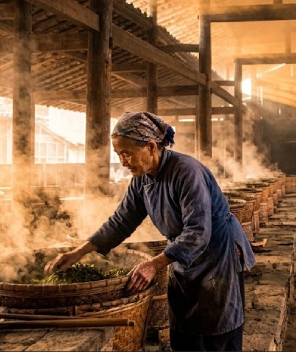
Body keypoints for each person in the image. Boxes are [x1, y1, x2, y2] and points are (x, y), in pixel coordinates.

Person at [45, 111, 255, 352]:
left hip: (217, 254)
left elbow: (198, 232)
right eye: (118, 154)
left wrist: (153, 264)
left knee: (217, 326)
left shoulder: (186, 172)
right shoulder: (142, 180)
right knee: (185, 325)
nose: (123, 162)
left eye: (127, 153)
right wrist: (78, 252)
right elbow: (121, 221)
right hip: (183, 254)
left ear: (151, 147)